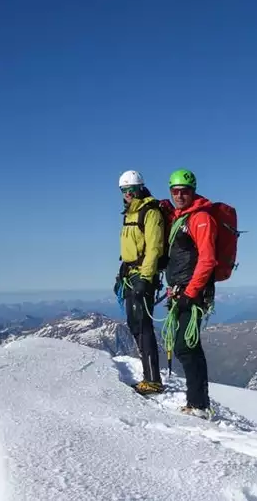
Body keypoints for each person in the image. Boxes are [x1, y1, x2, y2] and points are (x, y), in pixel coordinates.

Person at [163, 168, 216, 418]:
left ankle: (199, 404)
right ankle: (198, 402)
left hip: (192, 293)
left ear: (193, 191)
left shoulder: (200, 218)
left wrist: (191, 293)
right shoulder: (180, 217)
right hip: (180, 291)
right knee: (188, 346)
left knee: (186, 346)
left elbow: (207, 259)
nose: (179, 195)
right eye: (175, 191)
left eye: (184, 191)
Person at [115, 169, 165, 395]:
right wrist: (121, 274)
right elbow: (129, 250)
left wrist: (146, 279)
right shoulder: (129, 213)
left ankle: (153, 380)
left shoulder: (150, 212)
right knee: (134, 324)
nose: (128, 194)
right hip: (130, 274)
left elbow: (154, 248)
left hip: (143, 275)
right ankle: (148, 375)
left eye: (131, 189)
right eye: (124, 190)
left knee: (143, 326)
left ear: (140, 188)